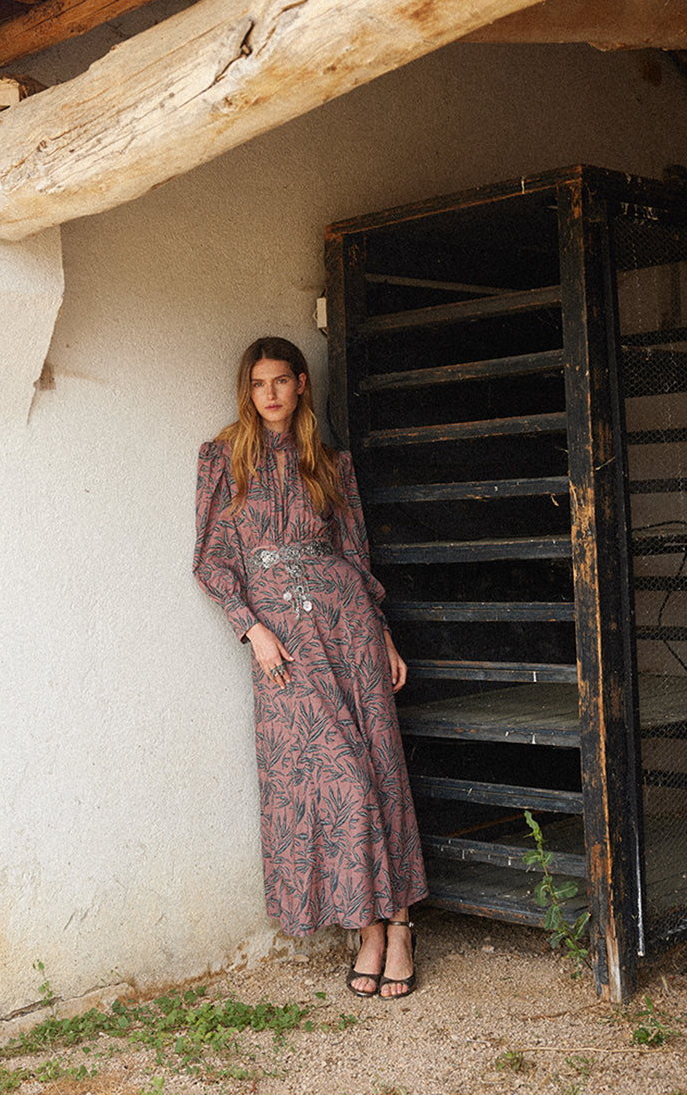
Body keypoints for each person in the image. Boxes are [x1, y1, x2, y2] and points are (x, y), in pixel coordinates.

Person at [193, 336, 427, 998]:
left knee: (377, 765)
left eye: (280, 382)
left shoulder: (331, 463)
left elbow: (355, 555)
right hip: (286, 647)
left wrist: (382, 635)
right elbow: (210, 562)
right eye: (257, 383)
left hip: (350, 627)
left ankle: (394, 928)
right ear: (248, 389)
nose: (268, 395)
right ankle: (367, 925)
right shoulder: (221, 459)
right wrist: (253, 630)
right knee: (338, 778)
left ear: (300, 384)